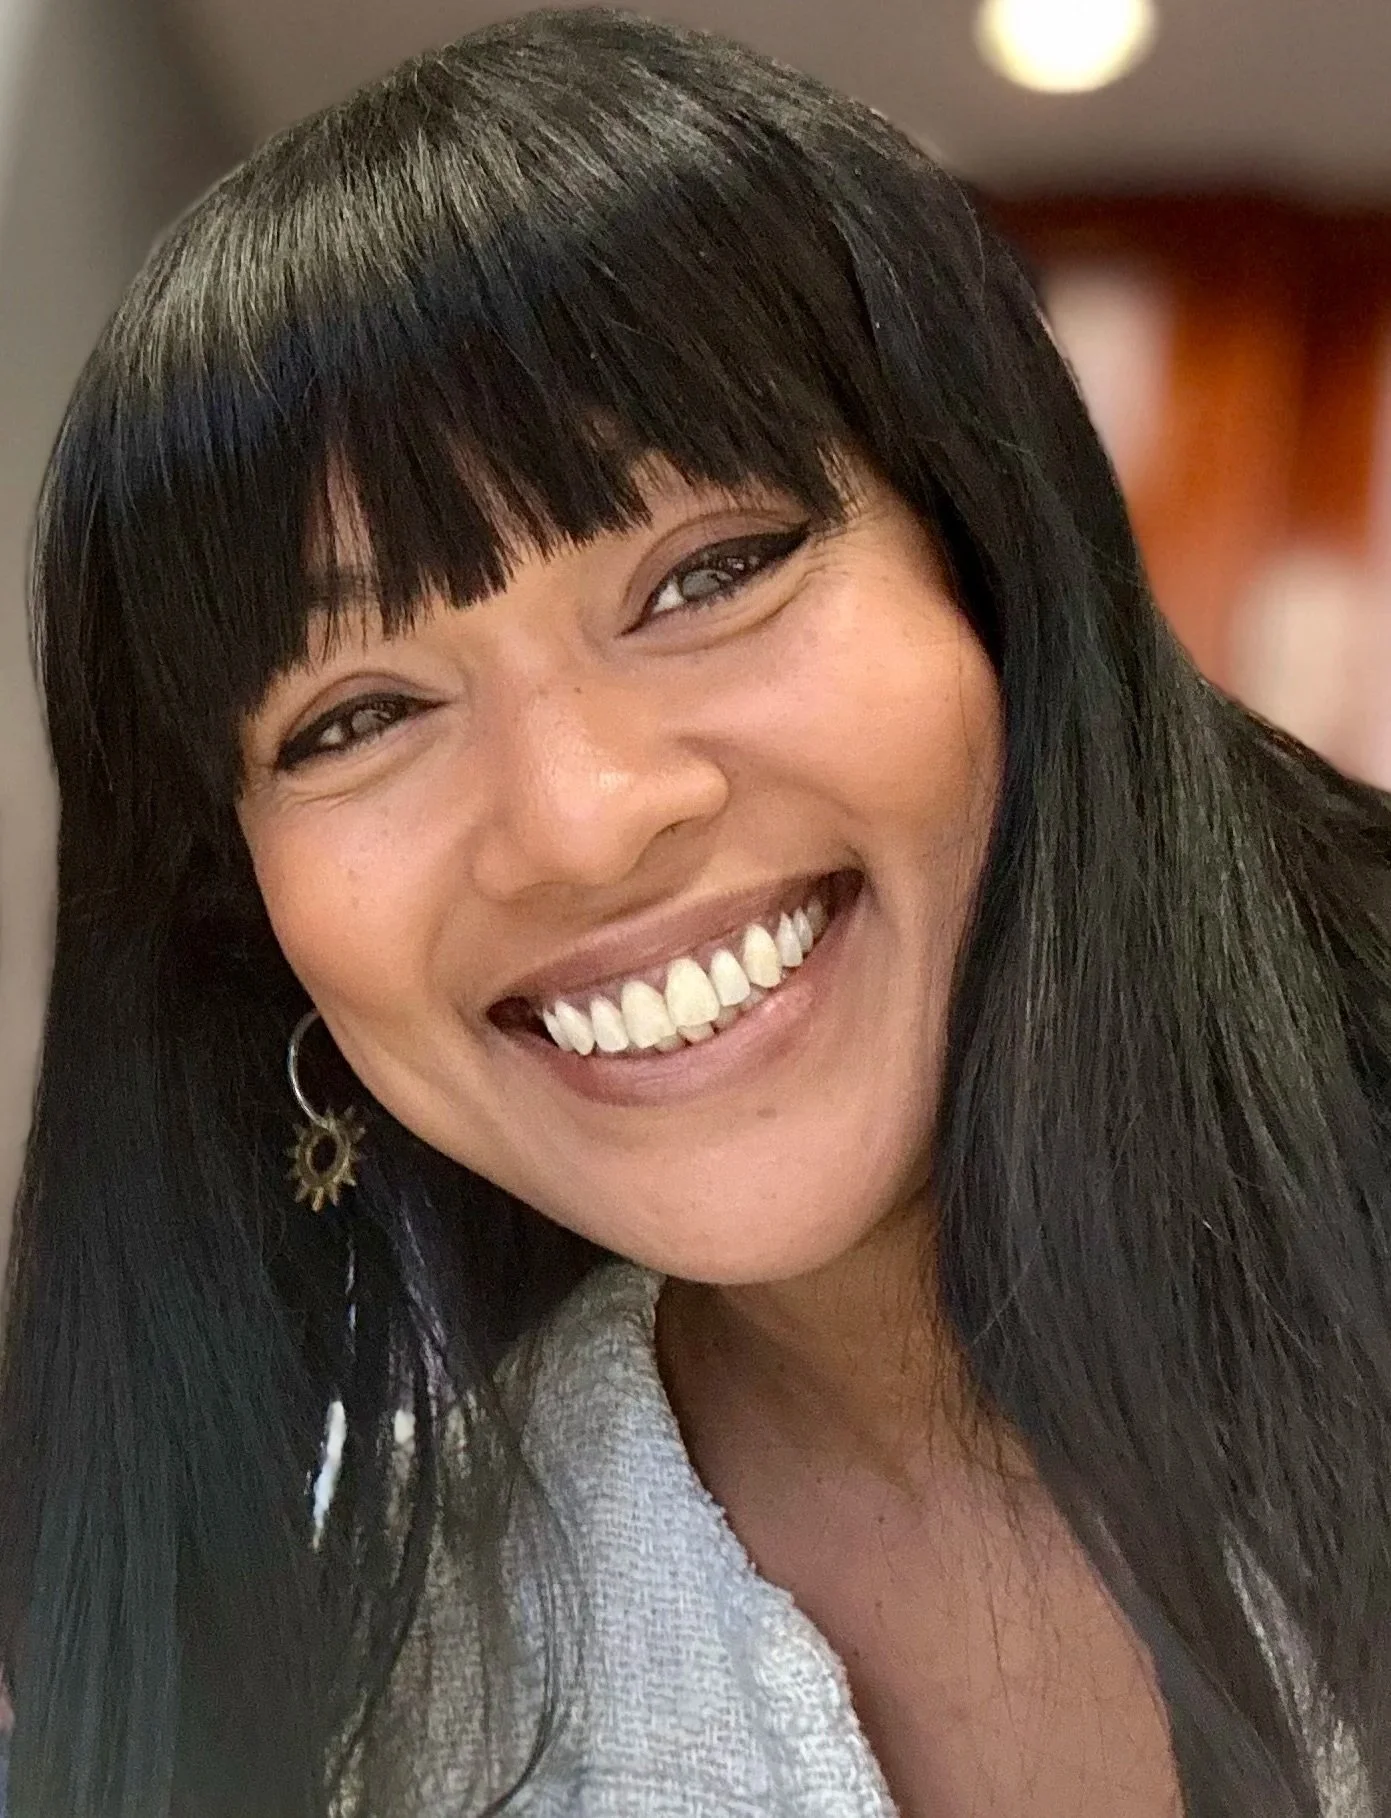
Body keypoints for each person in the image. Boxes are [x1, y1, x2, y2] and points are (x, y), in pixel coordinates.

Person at [1, 8, 1389, 1815]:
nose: (578, 824)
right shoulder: (347, 1674)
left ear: (998, 572)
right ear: (236, 914)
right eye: (356, 717)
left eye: (706, 573)